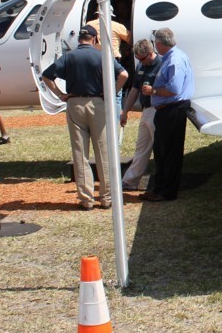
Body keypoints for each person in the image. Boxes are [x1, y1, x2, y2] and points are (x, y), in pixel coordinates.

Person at [39, 25, 128, 211]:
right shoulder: (102, 55)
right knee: (103, 151)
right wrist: (112, 92)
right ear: (95, 39)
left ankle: (86, 199)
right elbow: (124, 75)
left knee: (80, 153)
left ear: (80, 39)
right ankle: (107, 197)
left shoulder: (69, 56)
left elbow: (47, 76)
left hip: (75, 103)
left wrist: (60, 95)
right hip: (98, 103)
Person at [140, 27, 193, 202]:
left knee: (169, 152)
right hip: (167, 110)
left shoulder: (174, 60)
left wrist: (153, 90)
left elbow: (174, 89)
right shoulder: (172, 58)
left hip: (172, 110)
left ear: (161, 44)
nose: (155, 46)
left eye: (156, 43)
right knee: (162, 151)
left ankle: (166, 192)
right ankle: (160, 188)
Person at [119, 38, 161, 192]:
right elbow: (134, 89)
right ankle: (130, 181)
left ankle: (161, 180)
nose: (141, 62)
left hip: (158, 109)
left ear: (151, 53)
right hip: (146, 109)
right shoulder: (141, 65)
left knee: (159, 147)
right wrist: (126, 111)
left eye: (143, 59)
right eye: (138, 59)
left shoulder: (161, 64)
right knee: (141, 146)